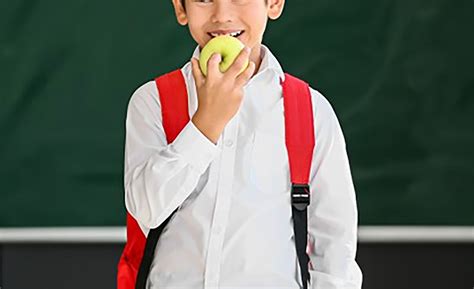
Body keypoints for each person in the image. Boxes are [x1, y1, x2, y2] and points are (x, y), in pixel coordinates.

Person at [123, 0, 363, 288]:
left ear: (273, 3)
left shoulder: (311, 112)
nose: (222, 15)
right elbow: (145, 212)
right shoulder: (152, 101)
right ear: (180, 8)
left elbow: (335, 249)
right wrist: (205, 124)